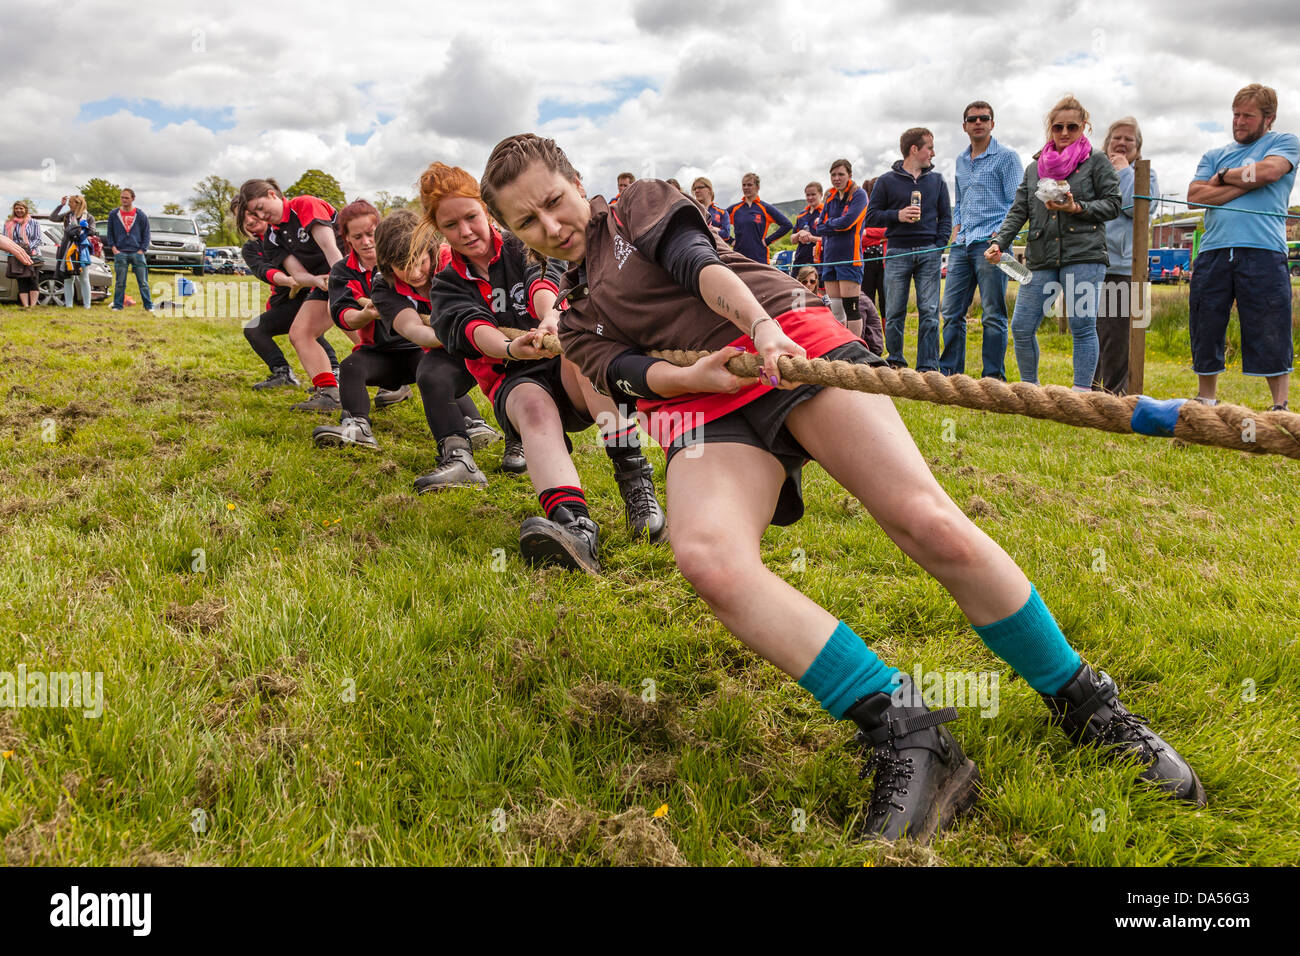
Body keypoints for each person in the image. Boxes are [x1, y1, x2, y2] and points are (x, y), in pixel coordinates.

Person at [482, 132, 1204, 843]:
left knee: (924, 520)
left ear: (578, 182)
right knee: (708, 557)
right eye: (527, 222)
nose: (551, 226)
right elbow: (634, 376)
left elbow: (697, 263)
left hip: (790, 339)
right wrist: (693, 378)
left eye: (554, 202)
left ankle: (1084, 700)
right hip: (704, 402)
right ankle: (906, 728)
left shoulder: (639, 205)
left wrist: (761, 328)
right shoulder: (572, 321)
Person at [423, 162, 666, 570]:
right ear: (439, 231)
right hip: (514, 377)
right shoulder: (447, 284)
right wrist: (511, 348)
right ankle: (574, 527)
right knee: (534, 407)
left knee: (589, 359)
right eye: (451, 225)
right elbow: (476, 330)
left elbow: (544, 283)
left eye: (470, 217)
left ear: (486, 211)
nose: (465, 232)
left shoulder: (522, 244)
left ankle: (635, 481)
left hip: (563, 360)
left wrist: (550, 319)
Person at [313, 204, 501, 475]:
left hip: (432, 347)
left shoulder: (448, 261)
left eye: (370, 233)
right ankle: (357, 426)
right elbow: (343, 316)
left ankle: (475, 423)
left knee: (437, 370)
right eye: (357, 237)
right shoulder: (358, 275)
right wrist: (365, 314)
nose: (413, 273)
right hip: (387, 349)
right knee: (355, 366)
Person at [988, 95, 1121, 391]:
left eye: (1071, 127)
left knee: (1082, 327)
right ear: (1050, 128)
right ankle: (1030, 390)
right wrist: (999, 242)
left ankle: (1081, 393)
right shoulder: (1035, 167)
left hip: (1085, 255)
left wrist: (1077, 208)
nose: (1064, 133)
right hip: (1041, 256)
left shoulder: (1096, 161)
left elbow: (1113, 204)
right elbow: (1019, 209)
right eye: (1058, 127)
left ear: (1084, 127)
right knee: (1021, 327)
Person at [1186, 83, 1297, 412]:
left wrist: (1221, 179)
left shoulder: (1283, 142)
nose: (1239, 121)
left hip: (1263, 249)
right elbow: (1194, 197)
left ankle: (1280, 407)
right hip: (1213, 251)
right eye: (1236, 114)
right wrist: (1247, 182)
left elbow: (1271, 170)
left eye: (1248, 116)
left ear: (1269, 118)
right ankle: (1206, 399)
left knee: (1270, 324)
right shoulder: (1213, 154)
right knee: (1205, 324)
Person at [240, 179, 353, 412]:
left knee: (350, 319)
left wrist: (342, 284)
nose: (261, 216)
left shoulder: (304, 205)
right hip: (323, 282)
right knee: (300, 333)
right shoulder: (272, 236)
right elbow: (297, 274)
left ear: (272, 194)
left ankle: (393, 382)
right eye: (254, 213)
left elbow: (331, 248)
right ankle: (329, 393)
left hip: (350, 271)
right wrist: (318, 282)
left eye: (261, 207)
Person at [939, 102, 1022, 380]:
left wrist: (1000, 238)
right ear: (964, 126)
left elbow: (1016, 203)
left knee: (992, 314)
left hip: (992, 244)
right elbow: (959, 201)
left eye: (984, 118)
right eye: (972, 119)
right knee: (951, 311)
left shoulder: (1007, 158)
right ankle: (950, 374)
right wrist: (957, 229)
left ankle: (993, 378)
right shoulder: (961, 161)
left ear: (992, 123)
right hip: (962, 245)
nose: (978, 122)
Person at [864, 128, 952, 370]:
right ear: (915, 149)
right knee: (893, 311)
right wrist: (898, 215)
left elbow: (946, 218)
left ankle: (927, 366)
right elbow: (871, 218)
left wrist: (938, 247)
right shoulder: (885, 181)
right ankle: (896, 361)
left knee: (930, 311)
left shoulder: (937, 181)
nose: (933, 153)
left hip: (929, 252)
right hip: (897, 252)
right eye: (929, 147)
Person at [234, 202, 338, 390]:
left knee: (305, 330)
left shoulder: (286, 232)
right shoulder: (251, 248)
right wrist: (289, 280)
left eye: (251, 213)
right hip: (285, 298)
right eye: (242, 218)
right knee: (261, 329)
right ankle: (283, 373)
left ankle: (333, 373)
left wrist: (314, 279)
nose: (249, 220)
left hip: (314, 289)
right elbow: (263, 270)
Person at [1094, 116, 1159, 395]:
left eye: (1128, 139)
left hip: (1124, 267)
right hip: (1092, 263)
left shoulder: (1145, 174)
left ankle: (1113, 393)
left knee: (1118, 335)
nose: (1121, 143)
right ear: (1107, 142)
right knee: (1092, 331)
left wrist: (1122, 172)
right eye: (1116, 138)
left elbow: (1138, 208)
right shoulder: (1094, 171)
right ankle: (1089, 388)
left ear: (1138, 146)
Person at [806, 159, 868, 337]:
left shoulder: (859, 194)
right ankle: (840, 346)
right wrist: (832, 225)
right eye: (833, 175)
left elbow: (848, 222)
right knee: (836, 310)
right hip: (830, 257)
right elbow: (818, 227)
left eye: (841, 174)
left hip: (850, 258)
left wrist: (829, 225)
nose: (836, 178)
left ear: (849, 175)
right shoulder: (831, 197)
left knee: (852, 308)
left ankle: (856, 347)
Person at [42, 195, 97, 308]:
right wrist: (60, 205)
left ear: (78, 203)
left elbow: (92, 231)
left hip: (81, 249)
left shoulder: (89, 217)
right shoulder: (68, 215)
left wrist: (82, 229)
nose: (68, 205)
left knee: (84, 278)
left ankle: (87, 306)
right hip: (66, 248)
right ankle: (69, 305)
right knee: (68, 278)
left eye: (70, 203)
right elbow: (53, 218)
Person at [726, 172, 792, 264]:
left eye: (749, 185)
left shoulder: (765, 208)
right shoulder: (735, 209)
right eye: (744, 185)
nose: (746, 188)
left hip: (760, 258)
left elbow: (787, 225)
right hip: (739, 257)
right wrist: (730, 240)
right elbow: (717, 224)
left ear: (757, 187)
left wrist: (768, 241)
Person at [107, 188, 152, 312]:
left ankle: (148, 306)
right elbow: (110, 233)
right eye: (122, 197)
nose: (124, 200)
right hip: (120, 252)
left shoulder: (140, 214)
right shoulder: (114, 214)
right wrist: (114, 249)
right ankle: (117, 305)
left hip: (137, 252)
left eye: (126, 198)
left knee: (143, 282)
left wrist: (142, 250)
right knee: (120, 282)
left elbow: (147, 234)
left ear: (133, 198)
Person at [859, 177, 887, 325]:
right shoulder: (862, 211)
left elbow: (891, 232)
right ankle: (870, 340)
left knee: (886, 304)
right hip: (866, 263)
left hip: (884, 263)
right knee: (866, 303)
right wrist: (881, 236)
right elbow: (858, 237)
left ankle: (889, 344)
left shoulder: (887, 210)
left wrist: (868, 233)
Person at [4, 200, 42, 307]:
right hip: (16, 256)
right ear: (14, 210)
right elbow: (6, 239)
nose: (19, 210)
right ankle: (25, 306)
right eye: (17, 208)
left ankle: (33, 306)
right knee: (21, 280)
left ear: (25, 209)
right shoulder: (9, 223)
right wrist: (14, 249)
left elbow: (38, 239)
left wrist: (26, 249)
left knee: (33, 279)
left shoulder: (33, 222)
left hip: (33, 254)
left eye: (21, 208)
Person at [791, 181, 823, 278]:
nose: (810, 197)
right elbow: (792, 240)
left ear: (821, 195)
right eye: (807, 195)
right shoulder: (801, 215)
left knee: (818, 292)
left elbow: (830, 240)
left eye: (813, 194)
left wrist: (811, 238)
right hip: (800, 260)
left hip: (819, 261)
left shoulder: (826, 213)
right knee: (796, 290)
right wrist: (799, 233)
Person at [690, 177, 731, 242]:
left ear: (709, 189)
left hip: (717, 250)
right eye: (695, 189)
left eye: (700, 187)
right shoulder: (691, 211)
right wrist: (713, 229)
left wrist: (704, 230)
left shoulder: (722, 212)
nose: (696, 191)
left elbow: (726, 235)